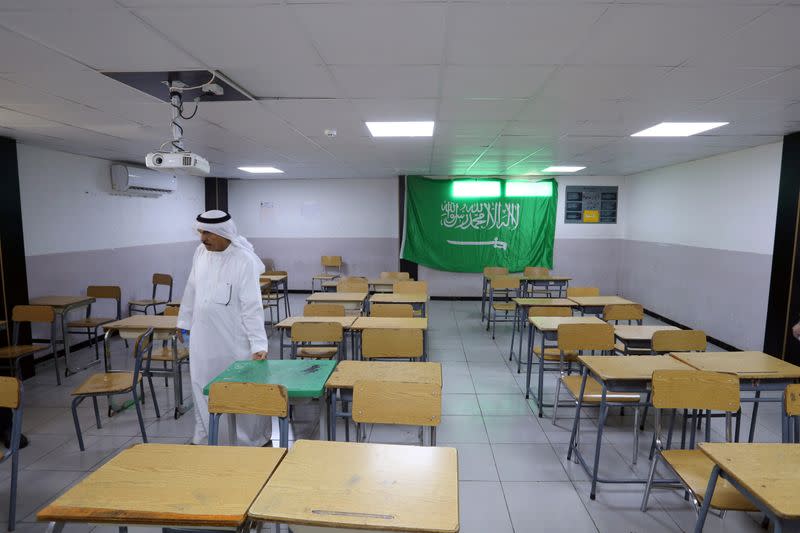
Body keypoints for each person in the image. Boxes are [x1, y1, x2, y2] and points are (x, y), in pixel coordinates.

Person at [176, 210, 271, 446]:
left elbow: (252, 306)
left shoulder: (244, 260)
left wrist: (258, 343)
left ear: (223, 232)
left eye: (207, 232)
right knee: (202, 386)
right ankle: (209, 437)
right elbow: (191, 289)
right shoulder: (200, 253)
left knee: (239, 390)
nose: (202, 238)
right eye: (200, 232)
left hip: (233, 342)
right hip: (202, 340)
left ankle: (248, 440)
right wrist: (184, 322)